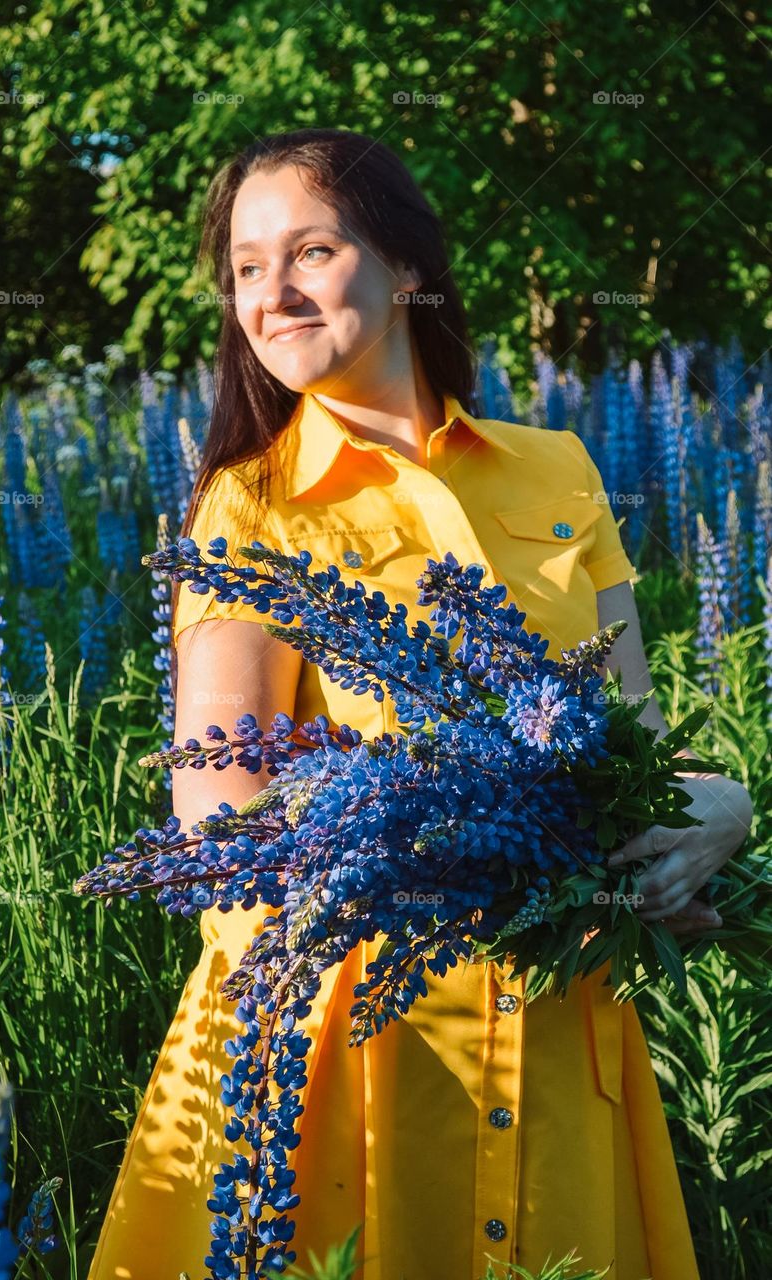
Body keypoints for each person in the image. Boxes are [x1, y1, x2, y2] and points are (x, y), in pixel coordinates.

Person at [86, 128, 753, 1280]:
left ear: (405, 269)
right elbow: (215, 821)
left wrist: (718, 811)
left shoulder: (557, 471)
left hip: (553, 1023)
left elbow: (636, 747)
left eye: (309, 250)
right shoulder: (248, 510)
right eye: (245, 266)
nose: (270, 292)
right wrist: (454, 859)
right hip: (357, 1059)